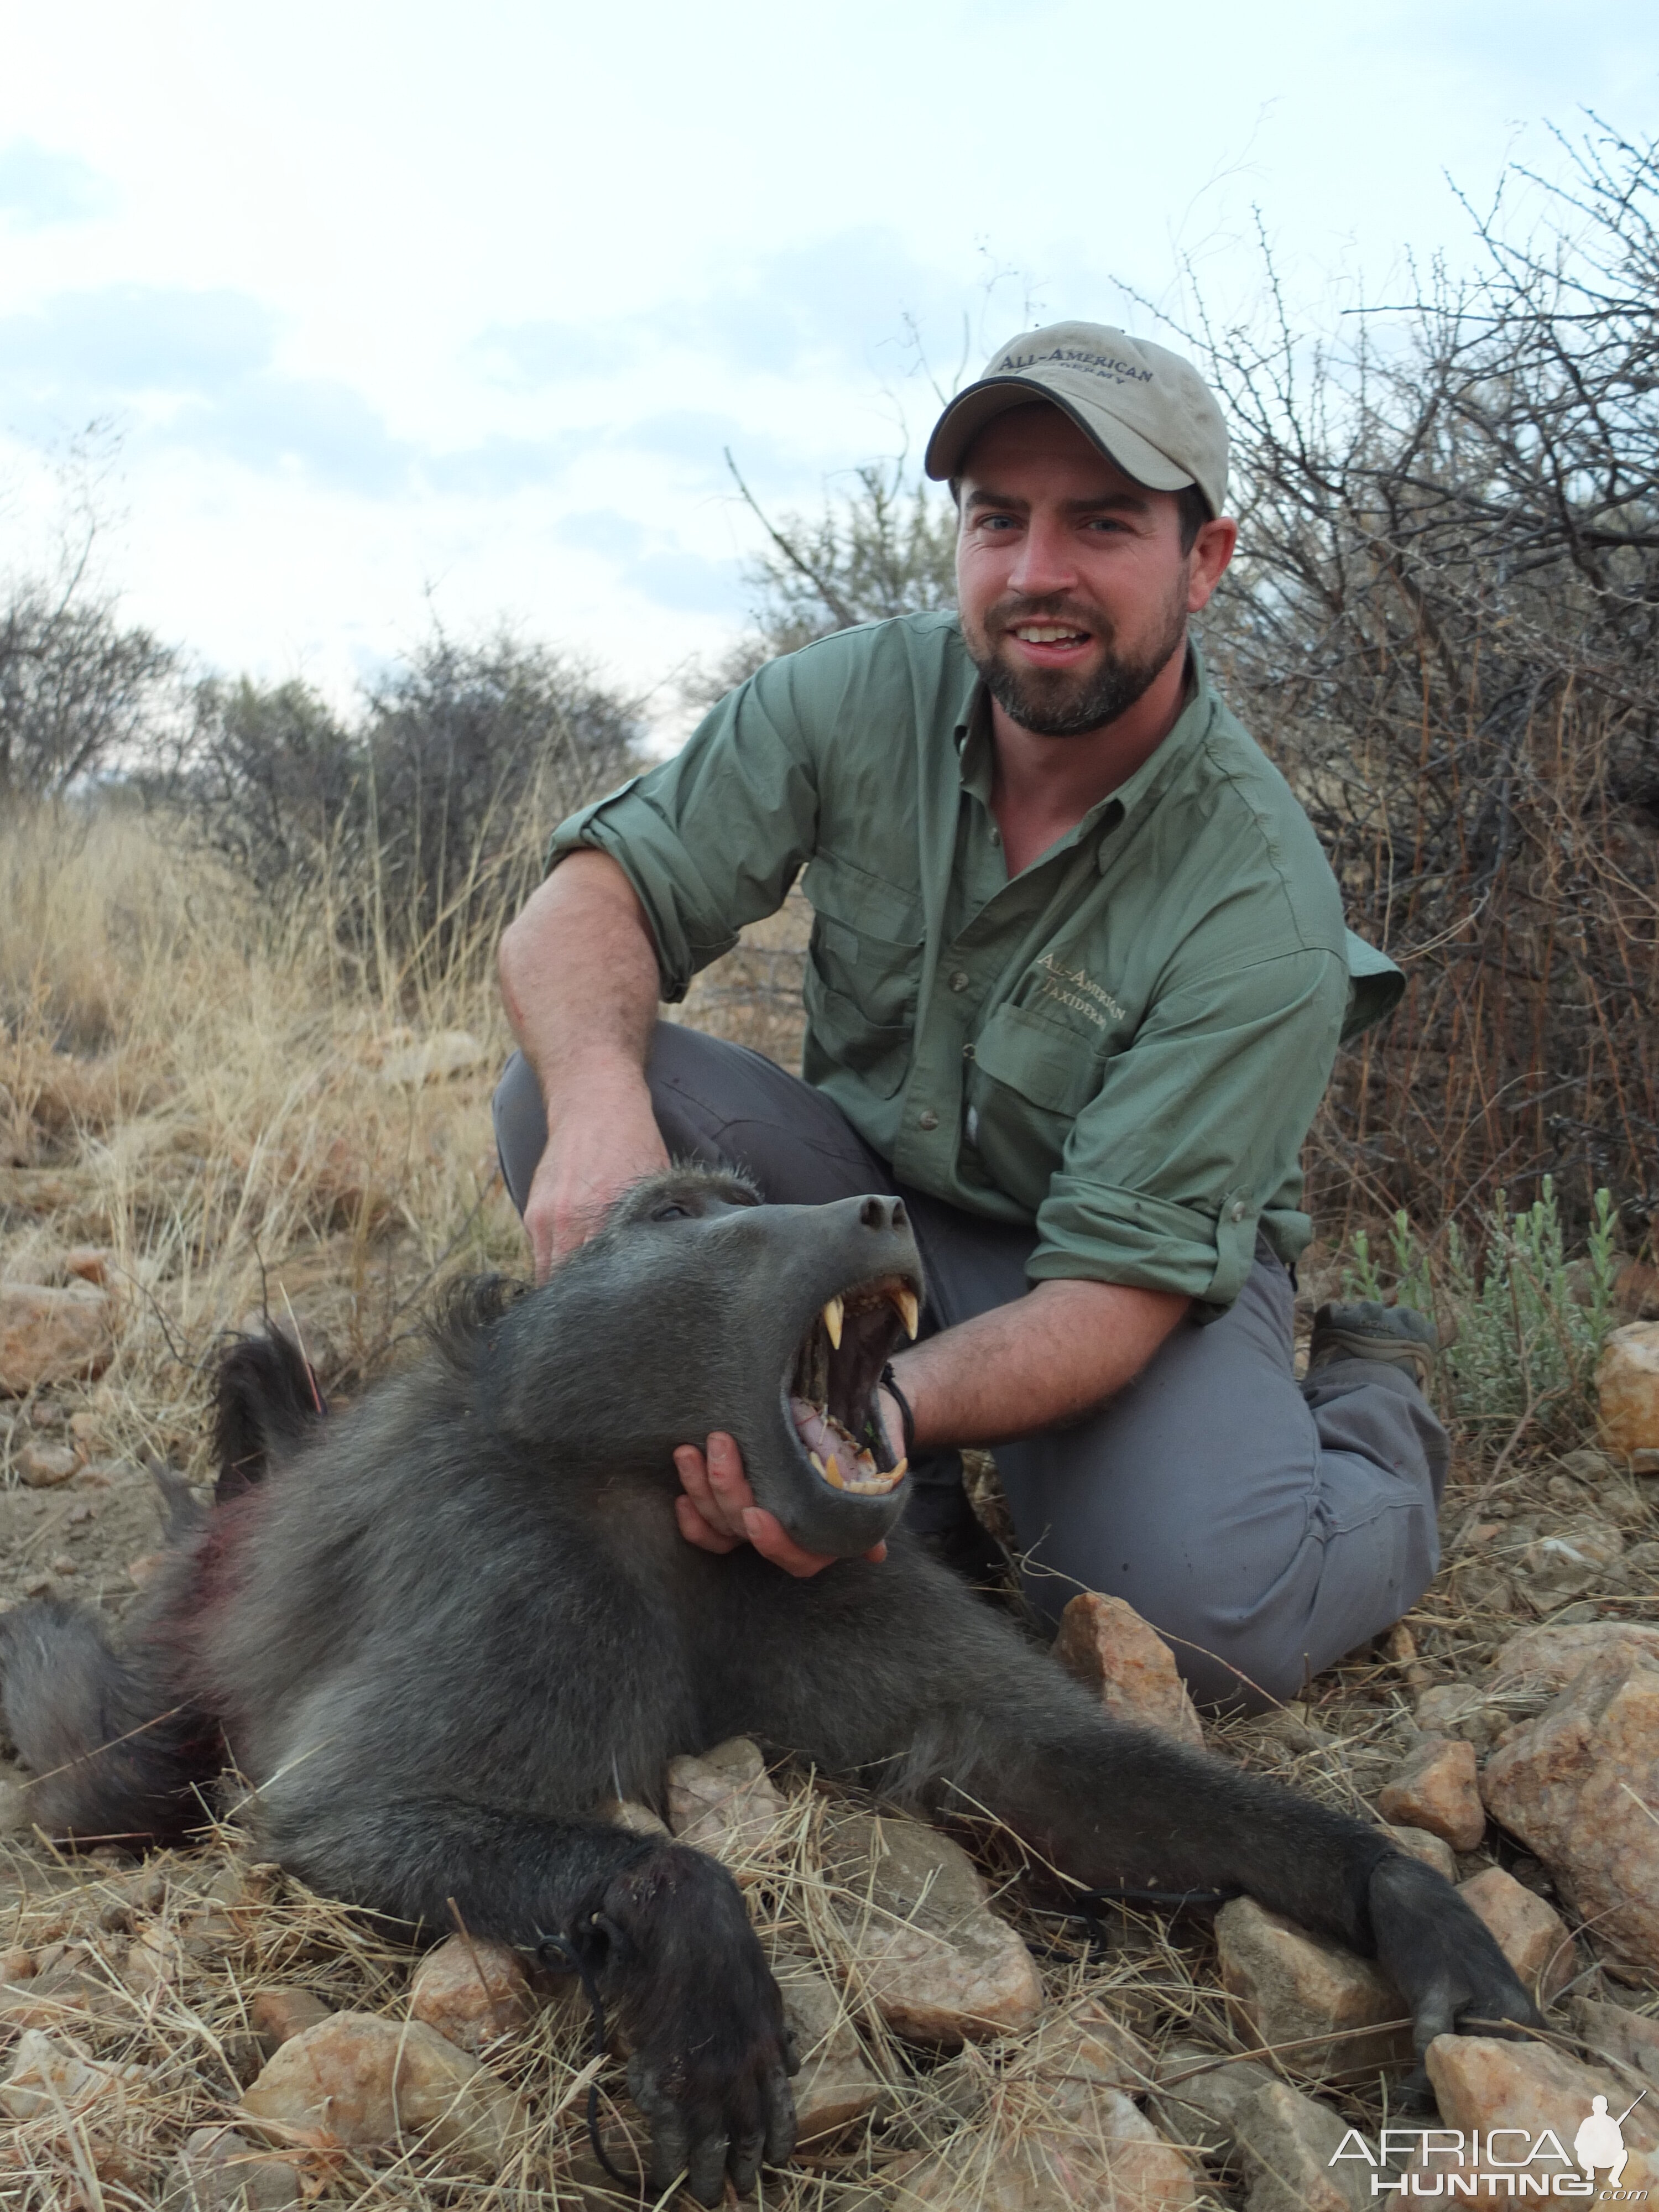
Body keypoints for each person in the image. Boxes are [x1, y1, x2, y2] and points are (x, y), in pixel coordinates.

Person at [493, 320, 1447, 1709]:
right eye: (999, 519)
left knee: (1198, 1624)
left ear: (1206, 560)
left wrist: (857, 1407)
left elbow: (1111, 1299)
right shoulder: (854, 693)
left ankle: (1375, 1412)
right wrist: (594, 1112)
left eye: (1103, 524)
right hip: (878, 1208)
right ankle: (906, 1508)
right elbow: (587, 902)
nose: (1036, 573)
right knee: (555, 1092)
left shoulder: (1261, 899)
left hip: (1123, 1279)